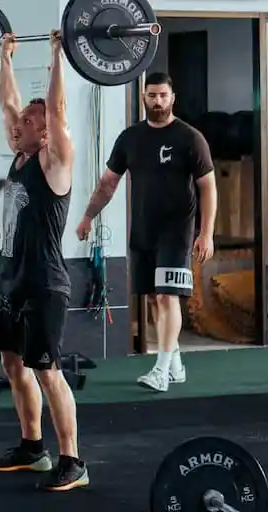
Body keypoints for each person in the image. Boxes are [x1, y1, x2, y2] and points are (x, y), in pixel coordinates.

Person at [0, 31, 89, 492]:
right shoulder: (20, 156)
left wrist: (56, 57)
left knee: (48, 370)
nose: (16, 125)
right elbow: (8, 105)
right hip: (11, 281)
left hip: (45, 283)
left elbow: (58, 112)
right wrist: (3, 59)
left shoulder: (54, 164)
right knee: (13, 365)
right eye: (20, 120)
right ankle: (33, 448)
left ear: (45, 132)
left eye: (28, 122)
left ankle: (73, 461)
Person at [76, 72, 217, 393]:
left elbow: (208, 187)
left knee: (168, 295)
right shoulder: (130, 138)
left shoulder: (190, 138)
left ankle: (161, 368)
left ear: (173, 97)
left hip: (178, 229)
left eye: (163, 95)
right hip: (143, 228)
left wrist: (206, 232)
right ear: (143, 96)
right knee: (155, 297)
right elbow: (107, 183)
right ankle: (176, 363)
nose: (157, 101)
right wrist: (87, 217)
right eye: (152, 95)